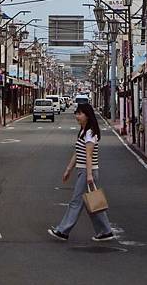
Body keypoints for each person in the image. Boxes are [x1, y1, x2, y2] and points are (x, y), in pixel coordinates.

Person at [48, 103, 114, 242]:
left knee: (76, 202)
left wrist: (89, 175)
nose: (77, 116)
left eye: (80, 114)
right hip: (83, 171)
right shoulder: (83, 131)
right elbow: (78, 153)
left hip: (87, 171)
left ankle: (63, 231)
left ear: (87, 116)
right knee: (92, 203)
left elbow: (89, 155)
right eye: (76, 113)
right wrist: (68, 170)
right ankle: (105, 231)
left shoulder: (90, 133)